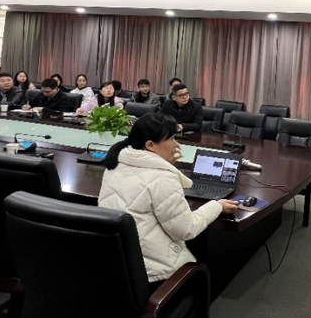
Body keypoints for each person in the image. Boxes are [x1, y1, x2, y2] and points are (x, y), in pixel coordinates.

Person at [98, 113, 238, 283]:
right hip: (156, 275)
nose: (177, 144)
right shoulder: (163, 178)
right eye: (171, 138)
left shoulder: (115, 164)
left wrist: (165, 165)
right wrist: (217, 206)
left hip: (118, 266)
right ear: (150, 145)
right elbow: (186, 230)